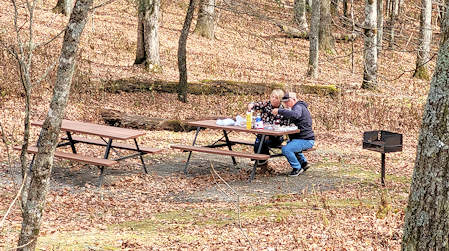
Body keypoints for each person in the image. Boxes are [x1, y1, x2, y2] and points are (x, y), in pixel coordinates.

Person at [272, 92, 315, 176]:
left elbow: (296, 115)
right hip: (301, 139)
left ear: (294, 99)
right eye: (285, 102)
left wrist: (280, 111)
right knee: (289, 145)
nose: (286, 104)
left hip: (306, 140)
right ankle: (303, 163)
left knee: (286, 149)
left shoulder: (298, 106)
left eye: (288, 101)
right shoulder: (295, 107)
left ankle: (297, 168)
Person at [247, 89, 289, 166]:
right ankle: (261, 159)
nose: (273, 99)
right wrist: (251, 105)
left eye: (276, 98)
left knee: (262, 140)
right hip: (262, 133)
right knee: (259, 139)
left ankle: (261, 159)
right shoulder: (266, 104)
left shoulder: (283, 110)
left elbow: (284, 127)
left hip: (276, 137)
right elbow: (256, 104)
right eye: (272, 97)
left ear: (280, 100)